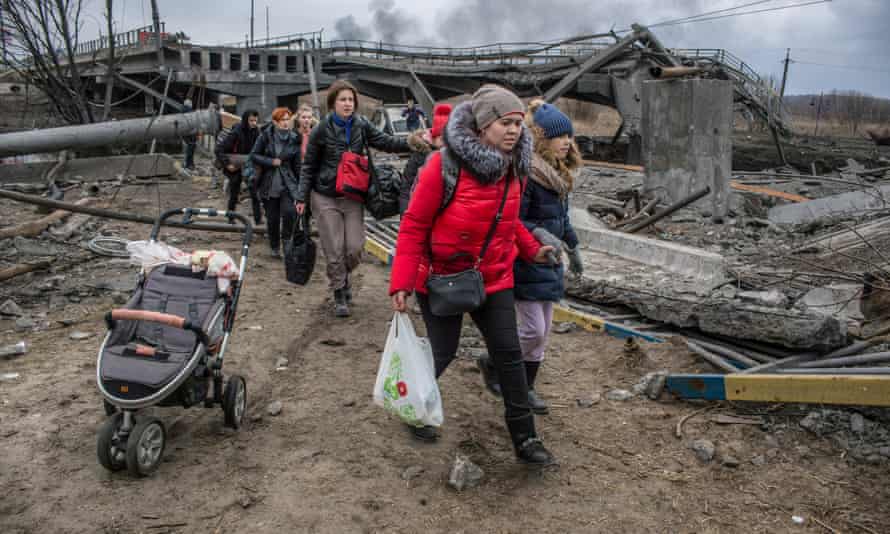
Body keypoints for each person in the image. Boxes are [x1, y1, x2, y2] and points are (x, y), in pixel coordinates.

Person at [390, 85, 557, 466]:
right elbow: (414, 224)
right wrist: (401, 282)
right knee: (442, 352)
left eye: (518, 123)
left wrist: (533, 249)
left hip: (494, 276)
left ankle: (526, 439)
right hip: (441, 277)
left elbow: (509, 220)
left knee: (509, 354)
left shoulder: (515, 167)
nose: (514, 130)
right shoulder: (442, 166)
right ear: (482, 126)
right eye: (505, 123)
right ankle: (415, 407)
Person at [296, 80, 410, 317]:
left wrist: (412, 142)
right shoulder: (322, 129)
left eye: (351, 100)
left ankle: (341, 276)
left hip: (352, 194)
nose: (348, 104)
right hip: (324, 195)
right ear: (333, 103)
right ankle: (339, 291)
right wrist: (301, 196)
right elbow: (308, 166)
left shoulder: (361, 124)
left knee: (355, 249)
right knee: (334, 248)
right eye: (343, 100)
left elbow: (386, 141)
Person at [512, 100, 584, 415]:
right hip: (529, 260)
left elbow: (563, 220)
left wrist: (574, 248)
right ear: (542, 139)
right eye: (559, 136)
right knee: (533, 330)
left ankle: (526, 389)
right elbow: (515, 219)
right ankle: (499, 362)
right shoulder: (528, 173)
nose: (566, 142)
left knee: (544, 332)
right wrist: (541, 236)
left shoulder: (559, 176)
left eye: (569, 136)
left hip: (552, 262)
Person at [250, 107, 303, 258]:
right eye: (283, 120)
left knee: (289, 213)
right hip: (269, 183)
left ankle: (287, 243)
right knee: (272, 219)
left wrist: (301, 187)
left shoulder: (294, 139)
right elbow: (254, 155)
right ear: (275, 122)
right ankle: (274, 247)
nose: (286, 123)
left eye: (288, 120)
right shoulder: (266, 136)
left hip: (288, 184)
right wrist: (271, 161)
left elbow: (298, 166)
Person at [399, 103, 452, 215]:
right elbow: (406, 187)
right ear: (434, 136)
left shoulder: (454, 156)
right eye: (443, 139)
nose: (446, 144)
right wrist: (405, 214)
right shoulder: (419, 156)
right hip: (421, 211)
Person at [215, 109, 262, 223]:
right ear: (246, 120)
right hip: (234, 165)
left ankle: (258, 219)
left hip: (248, 164)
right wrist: (228, 164)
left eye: (256, 121)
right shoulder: (236, 132)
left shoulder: (256, 131)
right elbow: (219, 149)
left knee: (254, 193)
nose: (254, 123)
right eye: (251, 120)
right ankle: (231, 218)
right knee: (234, 192)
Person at [182, 99, 197, 170]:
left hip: (185, 133)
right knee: (191, 148)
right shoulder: (190, 111)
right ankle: (189, 164)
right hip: (190, 133)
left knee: (187, 148)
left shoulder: (182, 111)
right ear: (189, 105)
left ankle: (187, 164)